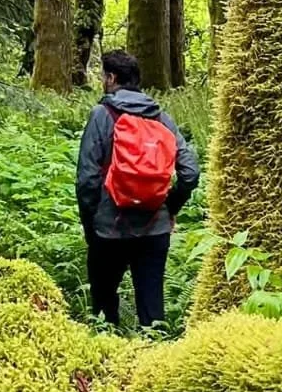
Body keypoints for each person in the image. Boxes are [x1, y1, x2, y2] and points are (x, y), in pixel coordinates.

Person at [76, 48, 200, 329]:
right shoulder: (162, 119)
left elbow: (87, 179)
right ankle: (154, 364)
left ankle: (108, 363)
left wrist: (91, 223)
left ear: (110, 78)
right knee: (153, 314)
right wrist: (170, 207)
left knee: (104, 311)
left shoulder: (102, 115)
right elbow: (190, 172)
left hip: (109, 228)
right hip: (154, 228)